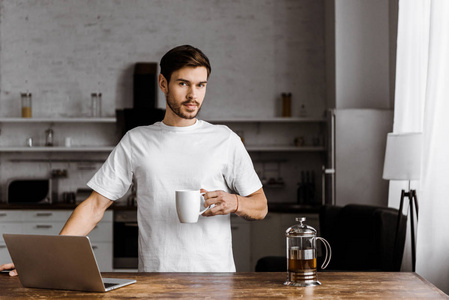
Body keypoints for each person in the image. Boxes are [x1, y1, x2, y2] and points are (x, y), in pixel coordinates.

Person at [0, 45, 267, 275]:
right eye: (183, 83)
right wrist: (43, 261)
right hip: (156, 279)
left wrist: (235, 202)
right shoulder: (136, 140)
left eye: (200, 85)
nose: (192, 95)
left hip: (215, 279)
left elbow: (260, 205)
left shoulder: (224, 139)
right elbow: (94, 206)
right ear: (163, 83)